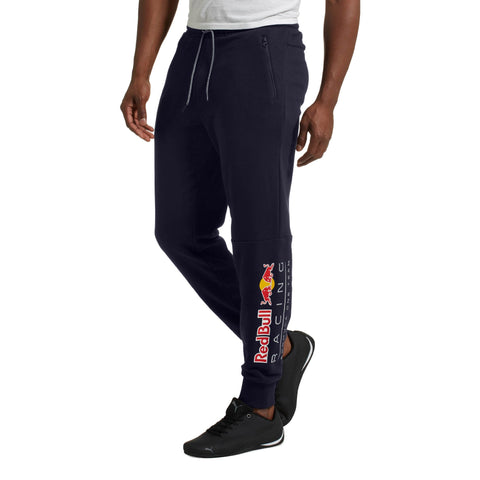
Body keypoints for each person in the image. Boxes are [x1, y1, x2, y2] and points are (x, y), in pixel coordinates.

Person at [121, 0, 360, 458]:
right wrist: (141, 70)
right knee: (180, 230)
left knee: (259, 235)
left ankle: (261, 407)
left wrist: (327, 100)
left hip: (263, 50)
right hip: (194, 52)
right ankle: (280, 347)